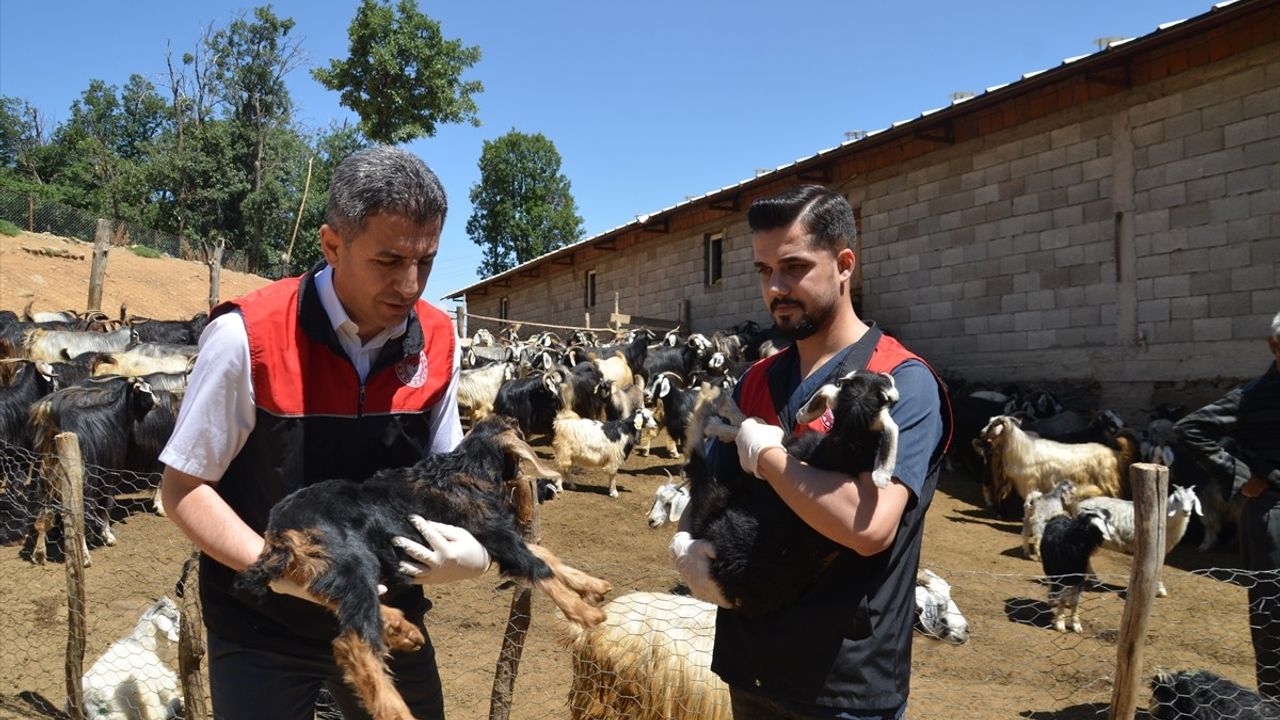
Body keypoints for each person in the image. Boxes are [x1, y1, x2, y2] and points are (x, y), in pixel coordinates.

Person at [159, 146, 491, 720]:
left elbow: (446, 478)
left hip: (387, 615)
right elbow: (183, 488)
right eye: (389, 261)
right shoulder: (247, 337)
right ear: (333, 245)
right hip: (263, 625)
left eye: (427, 261)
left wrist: (474, 549)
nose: (411, 284)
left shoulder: (439, 340)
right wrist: (286, 572)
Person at [671, 185, 952, 720]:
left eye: (794, 267)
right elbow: (713, 486)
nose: (776, 288)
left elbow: (869, 527)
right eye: (764, 271)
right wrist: (686, 543)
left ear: (844, 265)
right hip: (750, 666)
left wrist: (769, 458)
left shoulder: (897, 383)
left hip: (842, 684)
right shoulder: (755, 380)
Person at [1174, 310, 1280, 699]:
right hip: (1272, 512)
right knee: (1273, 613)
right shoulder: (1252, 396)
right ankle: (1274, 703)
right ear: (1274, 346)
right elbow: (1190, 429)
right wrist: (1241, 476)